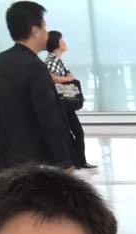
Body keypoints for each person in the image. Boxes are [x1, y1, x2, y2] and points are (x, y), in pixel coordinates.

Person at [0, 1, 74, 171]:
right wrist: (64, 161)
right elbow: (49, 116)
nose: (46, 32)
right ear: (35, 31)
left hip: (5, 154)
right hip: (34, 159)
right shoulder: (35, 67)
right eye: (44, 27)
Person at [45, 31, 94, 171]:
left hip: (63, 103)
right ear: (56, 43)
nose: (64, 43)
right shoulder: (53, 60)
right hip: (62, 103)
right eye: (62, 40)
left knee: (74, 132)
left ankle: (78, 161)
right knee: (76, 132)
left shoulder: (56, 60)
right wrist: (68, 79)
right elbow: (50, 77)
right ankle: (77, 161)